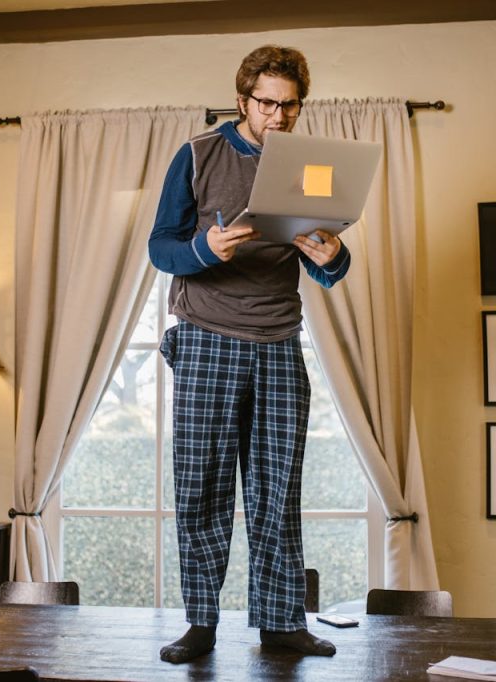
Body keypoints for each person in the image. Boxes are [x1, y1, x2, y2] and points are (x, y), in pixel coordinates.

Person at [148, 45, 349, 664]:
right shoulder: (197, 155)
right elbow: (161, 248)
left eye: (290, 105)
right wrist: (205, 249)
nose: (279, 116)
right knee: (202, 490)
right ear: (243, 100)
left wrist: (332, 258)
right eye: (267, 103)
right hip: (207, 339)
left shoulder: (312, 165)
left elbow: (330, 270)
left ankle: (280, 624)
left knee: (277, 492)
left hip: (279, 344)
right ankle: (201, 626)